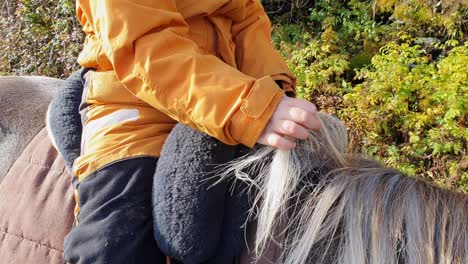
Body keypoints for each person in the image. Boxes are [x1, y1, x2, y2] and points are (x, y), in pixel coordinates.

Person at [64, 0, 321, 263]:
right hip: (136, 103)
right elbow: (143, 46)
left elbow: (247, 19)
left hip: (227, 88)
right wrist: (247, 107)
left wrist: (273, 92)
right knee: (116, 242)